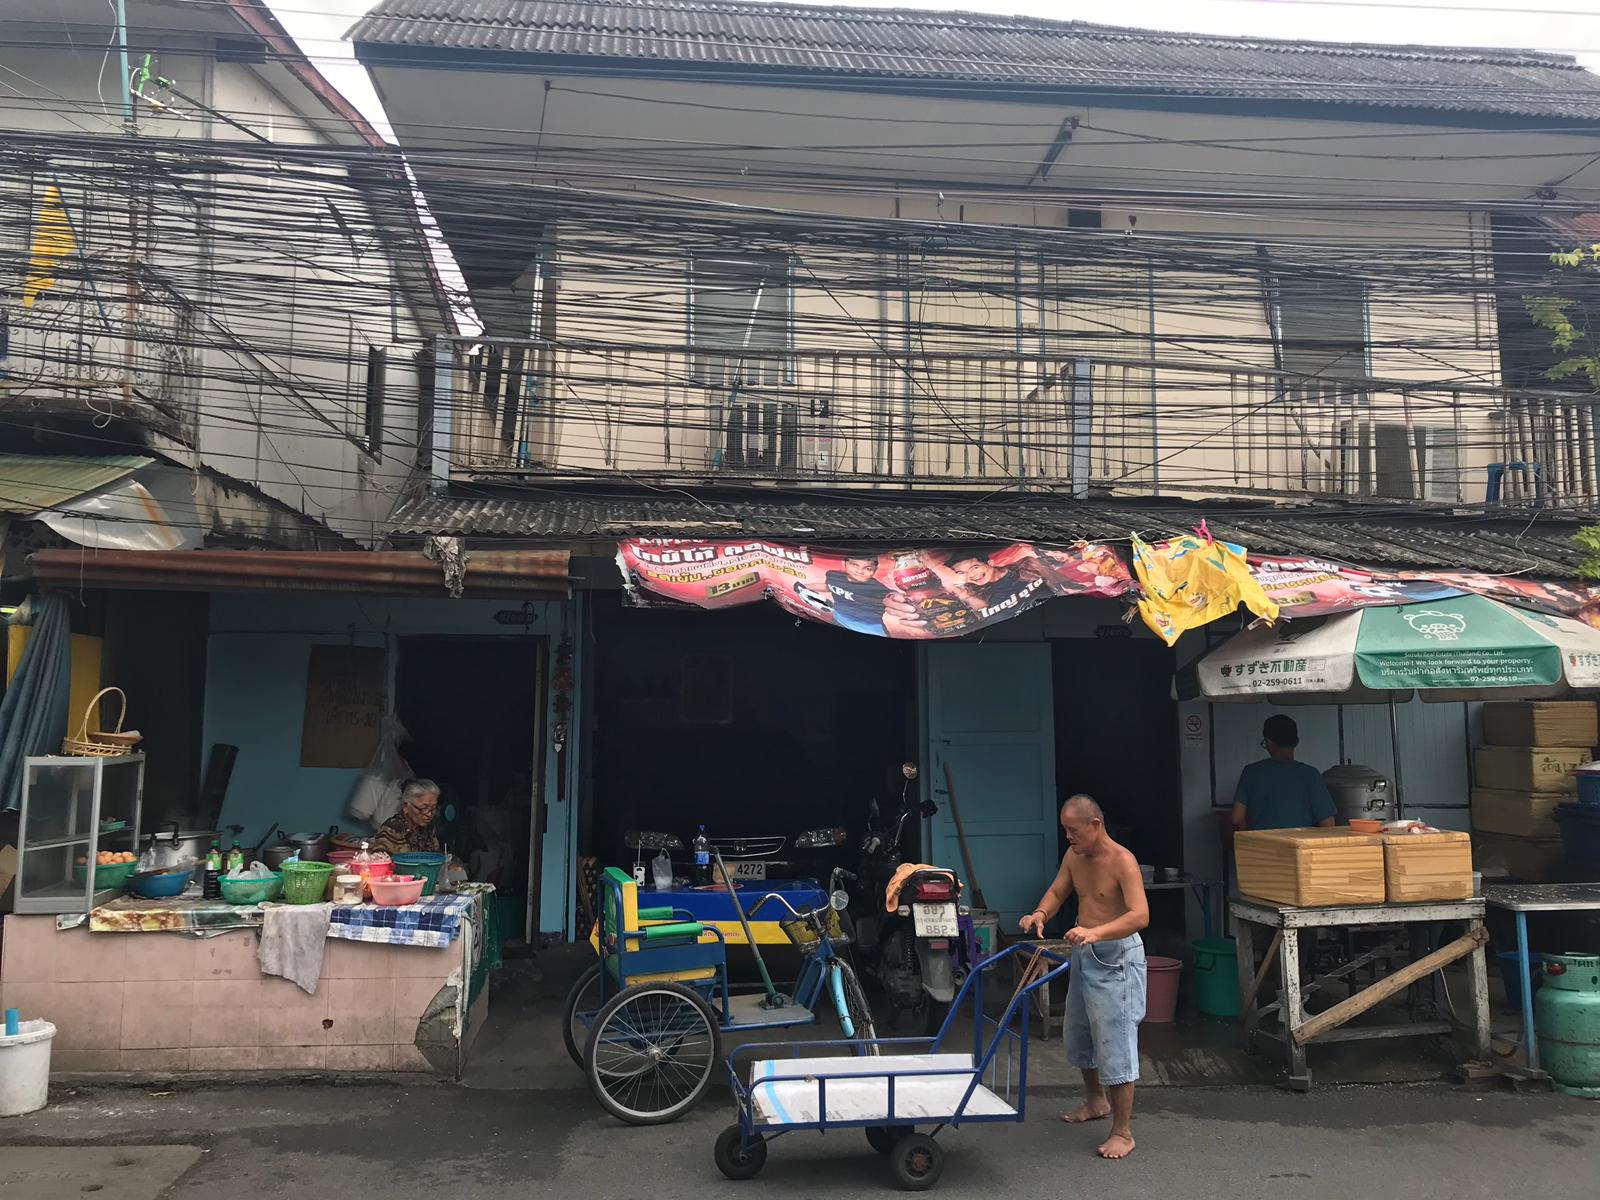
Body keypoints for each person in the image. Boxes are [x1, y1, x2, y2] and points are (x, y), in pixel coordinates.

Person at [1019, 794, 1149, 1160]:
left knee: (1116, 1040)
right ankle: (1096, 1100)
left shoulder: (1123, 861)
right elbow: (1059, 890)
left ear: (1095, 825)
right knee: (1080, 1032)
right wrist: (1040, 913)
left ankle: (1123, 1132)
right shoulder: (1074, 856)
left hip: (1117, 957)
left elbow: (1140, 915)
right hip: (1085, 951)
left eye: (1073, 831)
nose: (1068, 838)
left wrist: (1099, 932)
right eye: (1065, 831)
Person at [1231, 715, 1337, 831]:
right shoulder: (1311, 775)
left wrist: (1250, 839)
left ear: (1269, 743)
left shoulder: (1250, 772)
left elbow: (1237, 818)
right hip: (1298, 847)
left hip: (1261, 846)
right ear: (1296, 742)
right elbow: (1328, 823)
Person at [372, 778, 442, 855]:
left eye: (433, 808)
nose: (429, 814)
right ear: (406, 806)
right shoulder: (392, 828)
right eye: (424, 808)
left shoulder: (429, 827)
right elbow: (380, 859)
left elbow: (437, 855)